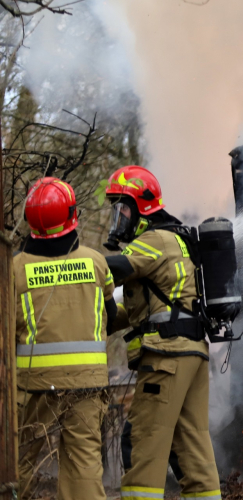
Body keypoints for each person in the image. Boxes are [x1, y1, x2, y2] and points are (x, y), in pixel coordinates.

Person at [103, 165, 220, 500]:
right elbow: (150, 309)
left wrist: (79, 263)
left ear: (141, 206)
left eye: (122, 206)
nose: (119, 215)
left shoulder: (153, 240)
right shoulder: (177, 239)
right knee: (192, 448)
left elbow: (117, 268)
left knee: (142, 441)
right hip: (191, 351)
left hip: (167, 357)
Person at [14, 177, 116, 500]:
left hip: (34, 384)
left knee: (19, 461)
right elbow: (111, 316)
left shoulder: (14, 269)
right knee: (83, 466)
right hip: (87, 382)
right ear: (73, 216)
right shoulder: (96, 262)